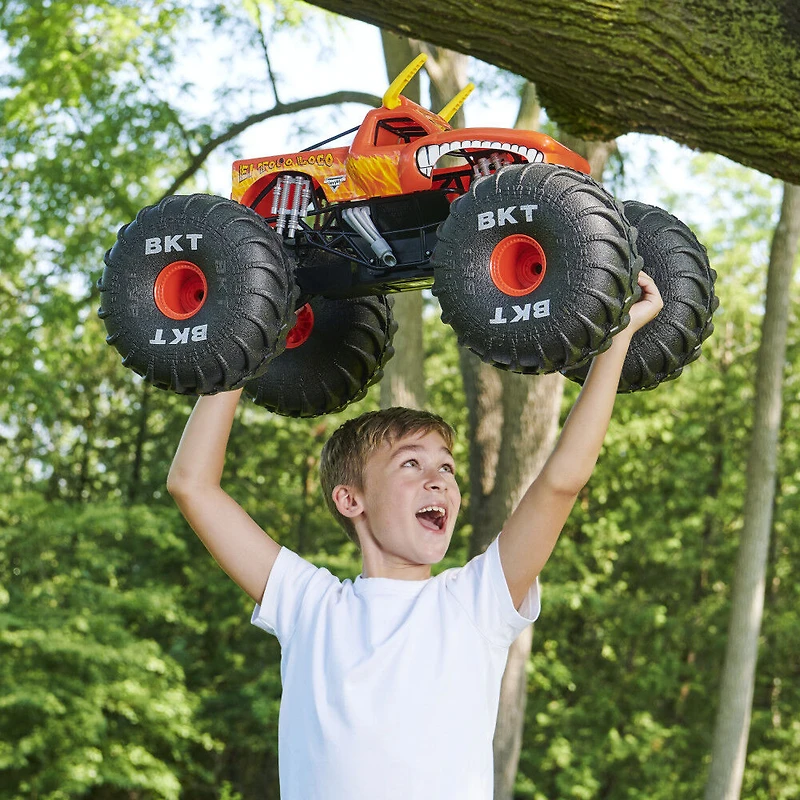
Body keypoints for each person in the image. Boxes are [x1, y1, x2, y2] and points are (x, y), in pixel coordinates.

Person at [167, 272, 663, 800]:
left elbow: (561, 481)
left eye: (447, 468)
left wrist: (616, 340)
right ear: (350, 499)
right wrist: (250, 334)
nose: (439, 479)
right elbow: (191, 484)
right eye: (411, 463)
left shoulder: (476, 603)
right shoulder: (308, 605)